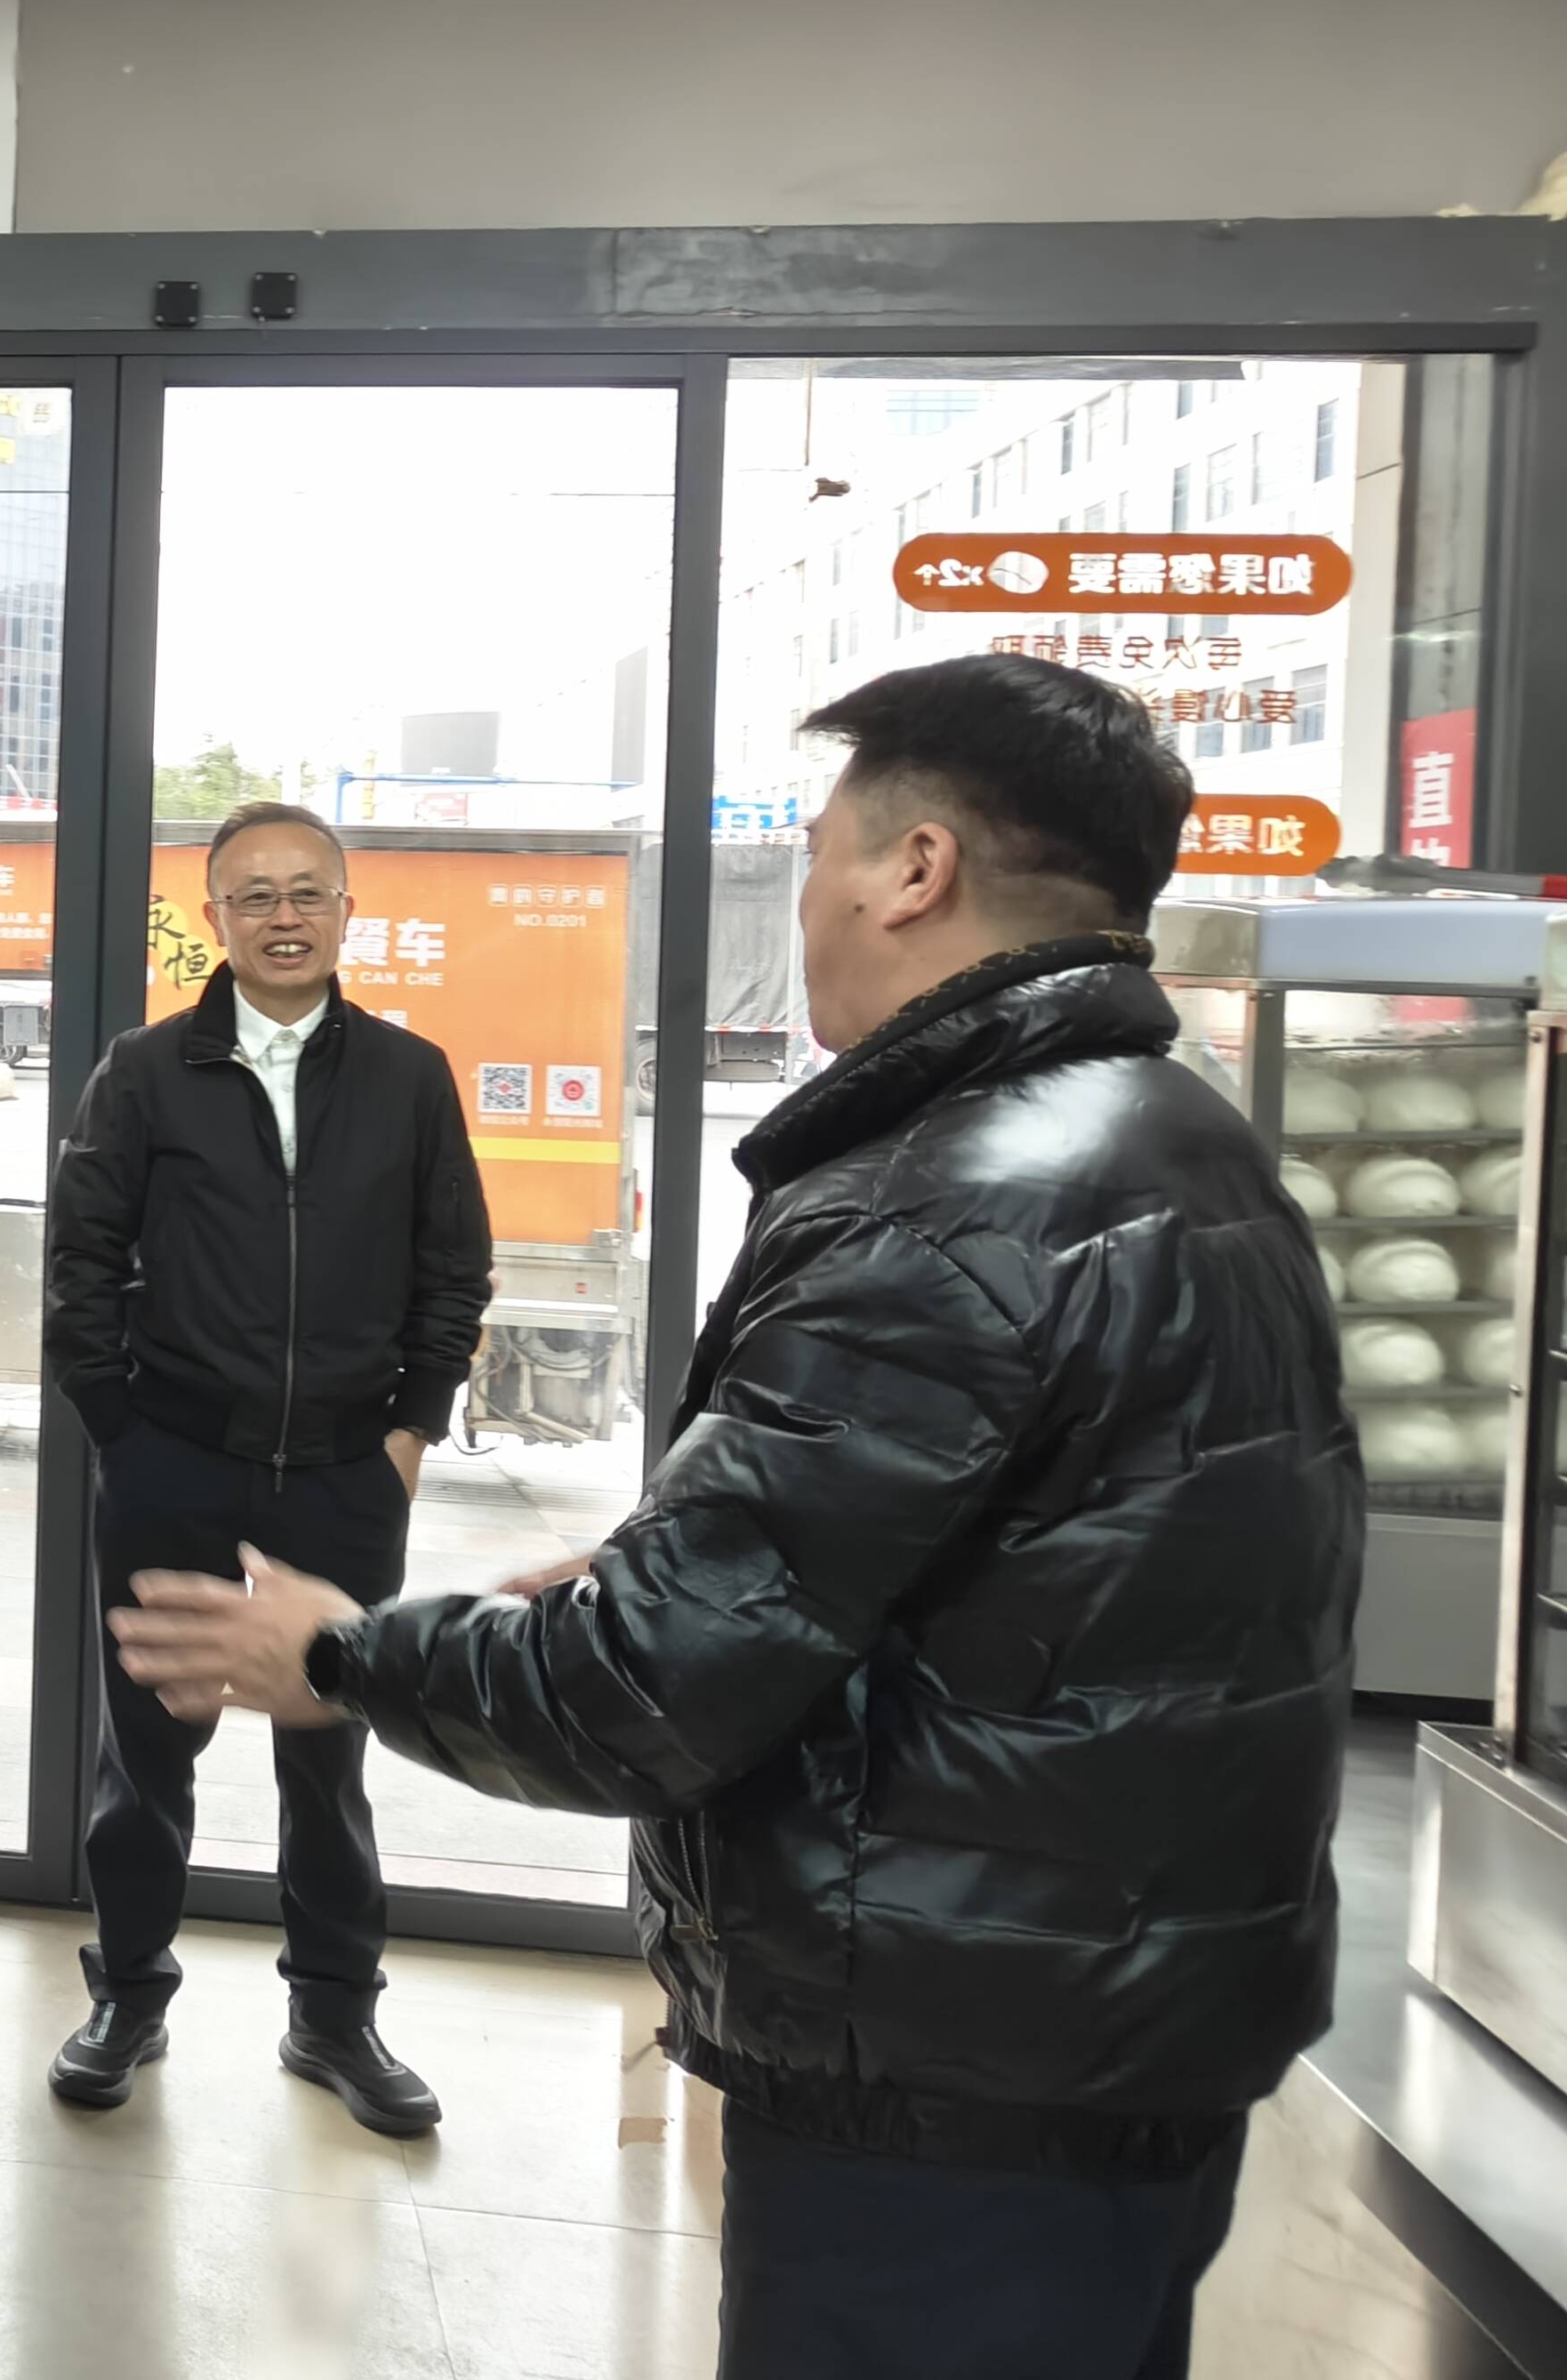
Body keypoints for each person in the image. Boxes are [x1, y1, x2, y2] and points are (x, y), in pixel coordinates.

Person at [110, 654, 1359, 2380]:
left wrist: (340, 1653)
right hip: (1116, 2019)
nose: (807, 905)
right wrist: (686, 1571)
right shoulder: (1185, 1146)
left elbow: (643, 1684)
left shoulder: (938, 1215)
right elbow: (1022, 1570)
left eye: (819, 854)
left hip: (941, 2069)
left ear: (913, 870)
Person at [41, 799, 490, 2134]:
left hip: (347, 1470)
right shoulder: (144, 1070)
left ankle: (336, 2018)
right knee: (148, 1749)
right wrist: (120, 1428)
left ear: (346, 911)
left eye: (307, 893)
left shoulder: (409, 1076)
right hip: (174, 1461)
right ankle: (128, 1995)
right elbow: (81, 1260)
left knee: (330, 1751)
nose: (283, 918)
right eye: (255, 896)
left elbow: (453, 1269)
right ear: (215, 918)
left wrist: (408, 1435)